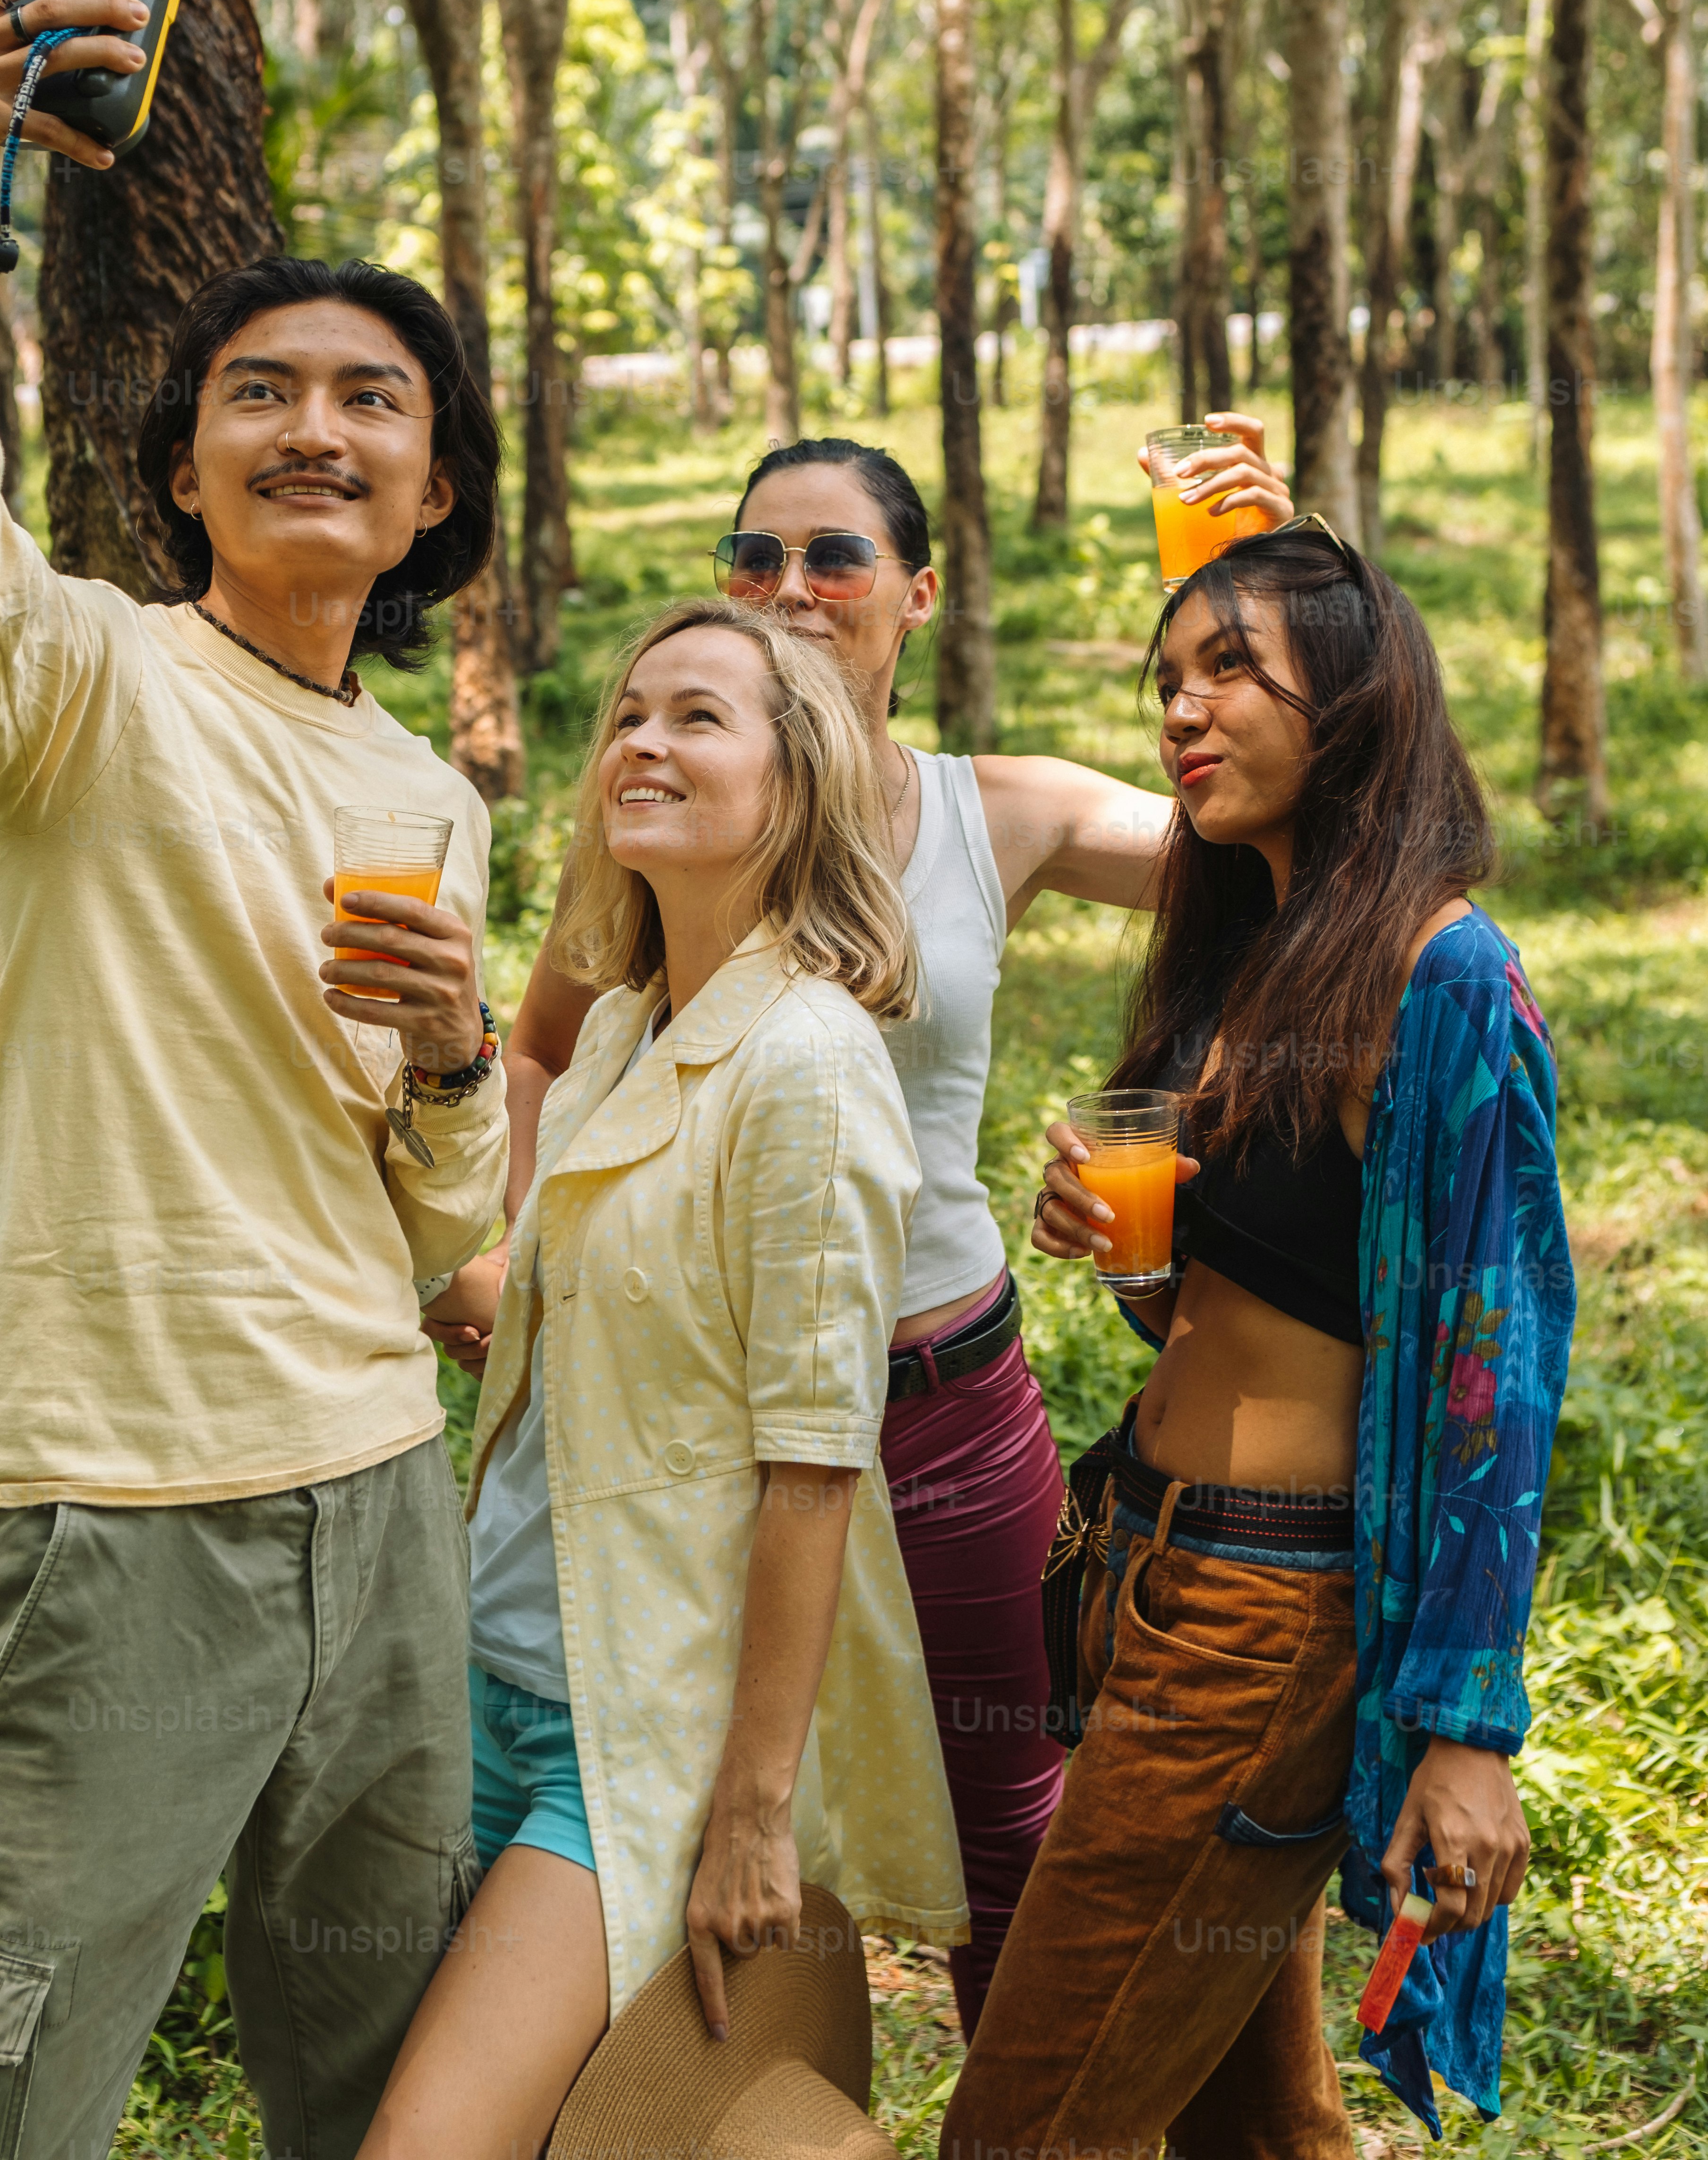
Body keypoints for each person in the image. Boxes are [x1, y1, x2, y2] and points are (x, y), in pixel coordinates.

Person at [0, 0, 510, 2160]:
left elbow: (433, 1224)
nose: (315, 425)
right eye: (259, 393)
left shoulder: (429, 801)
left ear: (431, 494)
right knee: (2, 2086)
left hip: (381, 1493)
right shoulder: (80, 685)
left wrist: (453, 1064)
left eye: (369, 400)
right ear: (183, 468)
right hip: (110, 1512)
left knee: (379, 2065)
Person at [430, 421, 1291, 2027]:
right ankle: (708, 2096)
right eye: (754, 558)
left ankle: (1023, 2125)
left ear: (918, 594)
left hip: (932, 1412)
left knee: (1004, 1834)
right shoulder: (665, 802)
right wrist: (525, 1251)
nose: (790, 587)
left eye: (836, 558)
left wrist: (1267, 590)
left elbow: (1278, 835)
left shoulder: (997, 812)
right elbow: (542, 1046)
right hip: (689, 1420)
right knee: (651, 1797)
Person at [944, 522, 1574, 2157]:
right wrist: (1130, 1258)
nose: (1182, 708)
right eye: (1168, 677)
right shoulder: (1247, 946)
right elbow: (1245, 1308)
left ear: (1353, 698)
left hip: (1263, 1621)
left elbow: (1494, 1384)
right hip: (1144, 1574)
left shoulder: (1444, 978)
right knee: (1258, 2132)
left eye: (1232, 668)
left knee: (1021, 2128)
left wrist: (1468, 1732)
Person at [357, 598, 966, 2160]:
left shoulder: (810, 1061)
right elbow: (584, 1310)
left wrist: (752, 1809)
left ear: (797, 779)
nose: (644, 741)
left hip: (636, 1727)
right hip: (490, 1675)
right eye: (630, 714)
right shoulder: (626, 1028)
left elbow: (814, 1464)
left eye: (700, 717)